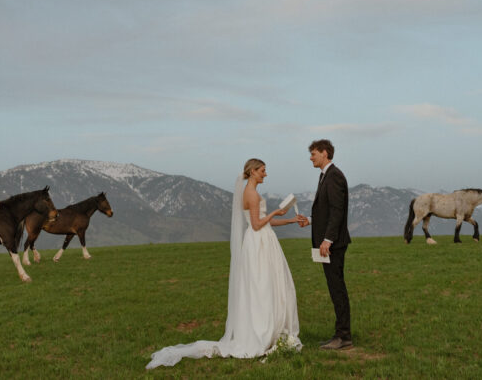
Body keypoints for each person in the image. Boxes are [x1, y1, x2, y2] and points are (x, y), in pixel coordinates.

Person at [146, 159, 302, 369]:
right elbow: (256, 225)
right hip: (259, 242)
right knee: (261, 286)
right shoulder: (251, 194)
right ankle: (261, 330)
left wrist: (289, 220)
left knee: (266, 285)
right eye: (263, 171)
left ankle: (270, 328)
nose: (266, 174)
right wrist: (277, 212)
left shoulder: (251, 192)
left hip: (263, 240)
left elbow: (263, 221)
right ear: (253, 171)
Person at [295, 139, 352, 350]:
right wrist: (309, 220)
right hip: (328, 243)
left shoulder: (334, 176)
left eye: (313, 153)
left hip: (333, 245)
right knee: (334, 288)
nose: (311, 157)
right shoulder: (325, 176)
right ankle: (340, 334)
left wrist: (327, 240)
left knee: (337, 289)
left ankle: (344, 336)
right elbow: (326, 211)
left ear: (325, 153)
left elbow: (337, 211)